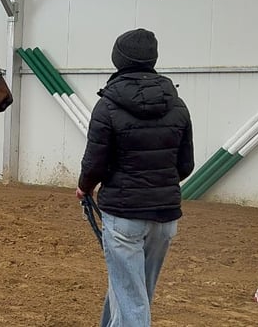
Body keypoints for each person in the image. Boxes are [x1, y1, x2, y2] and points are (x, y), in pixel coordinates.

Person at [75, 28, 194, 326]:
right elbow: (185, 165)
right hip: (165, 217)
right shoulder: (178, 105)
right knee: (134, 292)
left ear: (118, 60)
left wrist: (84, 187)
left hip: (124, 215)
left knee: (133, 300)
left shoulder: (107, 106)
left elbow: (94, 163)